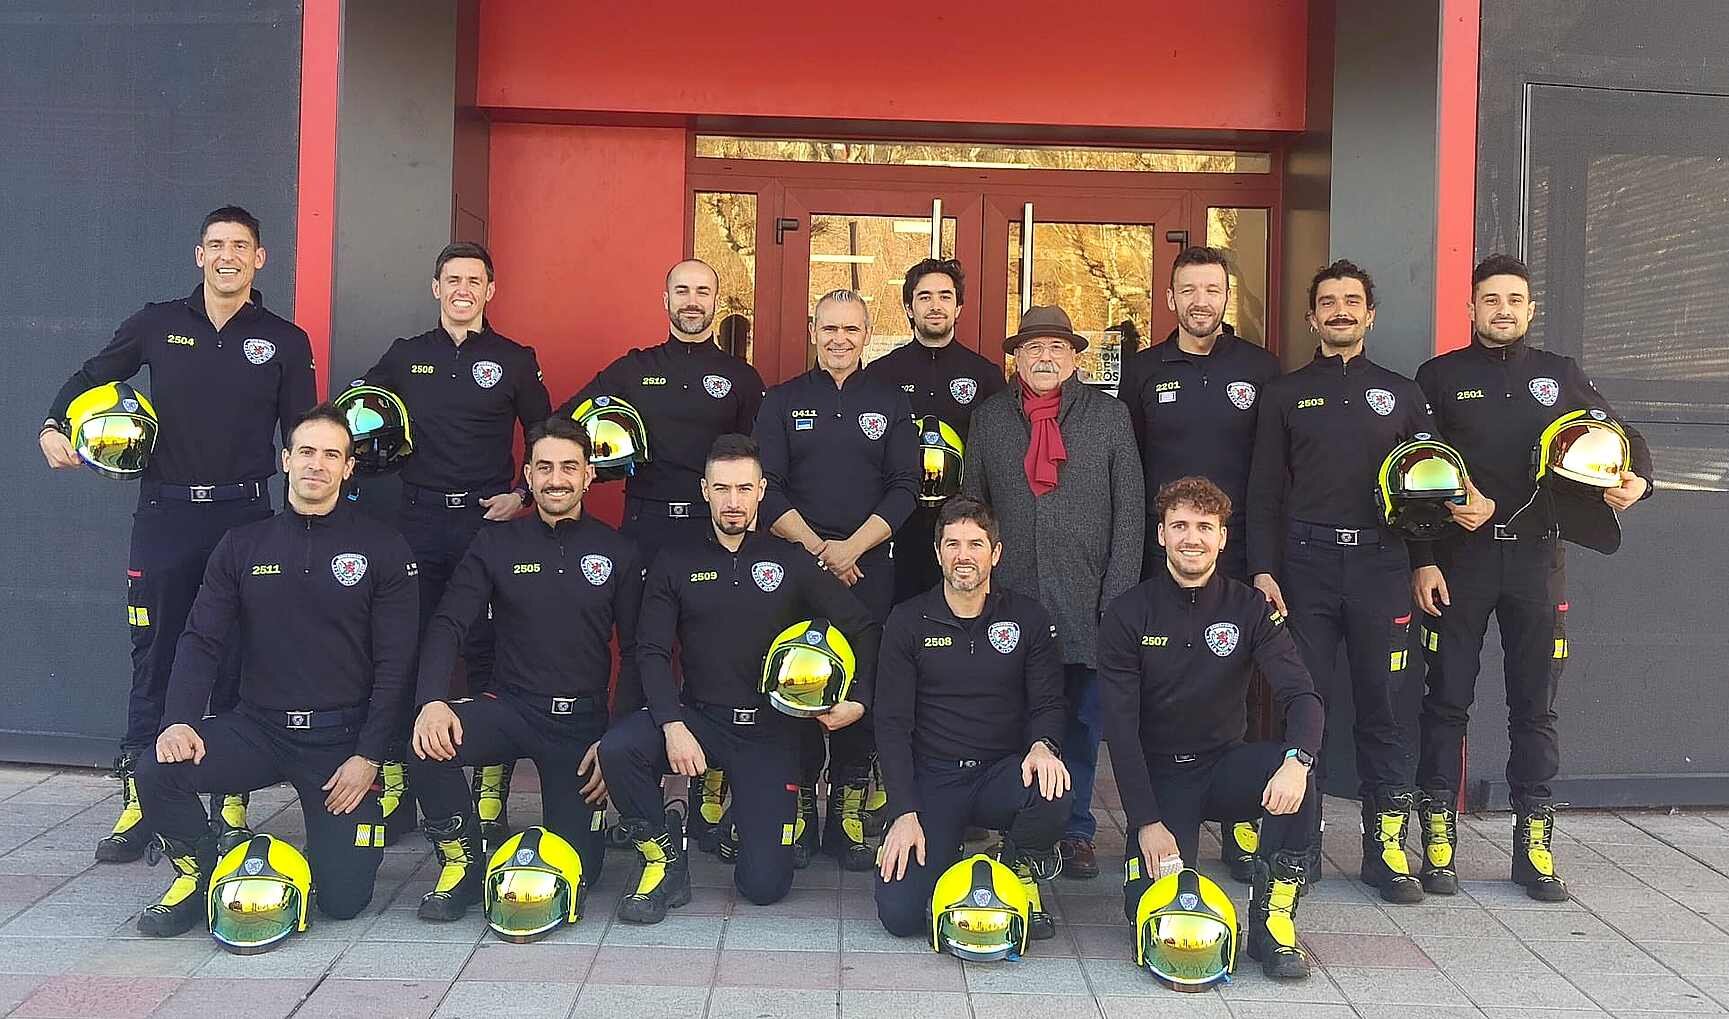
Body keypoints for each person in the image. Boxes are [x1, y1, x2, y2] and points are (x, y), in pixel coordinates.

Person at [39, 205, 316, 862]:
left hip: (245, 519)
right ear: (199, 255)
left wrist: (307, 521)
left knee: (238, 659)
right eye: (216, 244)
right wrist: (54, 425)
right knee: (155, 656)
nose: (227, 256)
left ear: (260, 258)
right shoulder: (157, 322)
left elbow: (303, 433)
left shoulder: (284, 340)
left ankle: (231, 805)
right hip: (164, 515)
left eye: (240, 246)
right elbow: (90, 377)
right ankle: (143, 799)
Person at [1411, 254, 1653, 901]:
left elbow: (1620, 434)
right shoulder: (1438, 376)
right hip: (1459, 562)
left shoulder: (1559, 374)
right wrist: (1423, 556)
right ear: (1470, 307)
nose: (1502, 310)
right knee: (1445, 701)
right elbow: (1414, 463)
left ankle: (1534, 847)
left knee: (1534, 707)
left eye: (1513, 300)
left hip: (1536, 562)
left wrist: (1638, 479)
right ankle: (1437, 839)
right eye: (1490, 299)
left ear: (1529, 309)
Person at [131, 405, 417, 936]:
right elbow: (201, 640)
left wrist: (369, 757)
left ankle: (316, 859)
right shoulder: (242, 545)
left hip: (341, 744)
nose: (316, 464)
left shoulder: (383, 547)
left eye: (331, 454)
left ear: (348, 468)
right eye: (305, 452)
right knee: (156, 769)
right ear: (286, 460)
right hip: (258, 729)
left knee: (343, 901)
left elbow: (397, 664)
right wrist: (179, 720)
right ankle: (198, 873)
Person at [1247, 259, 1482, 903]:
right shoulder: (1285, 394)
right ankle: (1300, 846)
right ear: (1311, 318)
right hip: (1305, 568)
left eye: (1352, 301)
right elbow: (1264, 491)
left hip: (1383, 565)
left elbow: (1431, 483)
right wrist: (1263, 569)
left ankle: (1386, 851)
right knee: (1305, 704)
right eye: (1329, 302)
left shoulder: (1402, 394)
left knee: (1386, 709)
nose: (1341, 311)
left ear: (1369, 316)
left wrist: (1425, 559)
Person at [597, 434, 880, 922]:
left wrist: (859, 697)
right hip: (700, 721)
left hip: (771, 733)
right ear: (705, 490)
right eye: (723, 488)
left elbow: (863, 627)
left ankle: (743, 821)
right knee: (619, 749)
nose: (733, 501)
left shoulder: (790, 559)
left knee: (764, 887)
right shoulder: (675, 561)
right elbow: (651, 651)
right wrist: (671, 724)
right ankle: (664, 857)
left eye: (744, 489)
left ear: (761, 491)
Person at [406, 416, 643, 920]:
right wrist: (431, 701)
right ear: (529, 476)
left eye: (569, 467)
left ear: (588, 475)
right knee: (426, 743)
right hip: (510, 709)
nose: (557, 479)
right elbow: (448, 622)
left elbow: (639, 652)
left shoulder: (618, 550)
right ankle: (463, 863)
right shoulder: (495, 544)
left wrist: (616, 742)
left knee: (582, 871)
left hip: (580, 726)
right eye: (545, 467)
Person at [359, 241, 551, 841]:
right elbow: (357, 413)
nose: (463, 290)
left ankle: (489, 791)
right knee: (403, 648)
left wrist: (523, 493)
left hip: (486, 524)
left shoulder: (514, 359)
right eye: (453, 280)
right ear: (436, 288)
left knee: (489, 649)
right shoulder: (405, 355)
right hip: (416, 521)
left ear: (490, 291)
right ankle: (398, 789)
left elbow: (547, 435)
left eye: (474, 281)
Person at [1099, 476, 1323, 979]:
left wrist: (1298, 762)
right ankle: (1154, 868)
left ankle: (1272, 920)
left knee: (1299, 775)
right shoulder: (1128, 613)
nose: (1191, 538)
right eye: (1179, 525)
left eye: (1204, 526)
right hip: (1162, 781)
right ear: (1161, 534)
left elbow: (1302, 696)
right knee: (1158, 921)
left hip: (1224, 768)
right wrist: (1146, 822)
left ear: (1222, 537)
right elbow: (1121, 729)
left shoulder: (1251, 608)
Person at [961, 305, 1144, 881]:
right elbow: (972, 509)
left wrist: (1116, 599)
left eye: (1056, 348)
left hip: (1087, 600)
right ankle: (1017, 822)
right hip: (1010, 597)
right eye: (1033, 348)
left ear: (1074, 357)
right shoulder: (990, 419)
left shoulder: (1109, 416)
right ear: (1016, 358)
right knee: (1010, 717)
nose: (1045, 358)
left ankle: (1075, 831)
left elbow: (1131, 513)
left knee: (1082, 725)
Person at [1118, 245, 1282, 881]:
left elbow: (1268, 479)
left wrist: (1264, 565)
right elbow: (1129, 472)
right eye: (1188, 290)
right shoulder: (1142, 371)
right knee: (1167, 677)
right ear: (1170, 299)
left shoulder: (1260, 369)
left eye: (1212, 289)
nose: (1200, 301)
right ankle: (1157, 803)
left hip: (1235, 557)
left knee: (1244, 678)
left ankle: (1241, 815)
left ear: (1226, 296)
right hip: (1164, 557)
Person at [755, 290, 918, 869]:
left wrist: (851, 548)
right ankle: (799, 809)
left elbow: (905, 486)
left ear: (867, 333)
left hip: (870, 565)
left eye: (851, 329)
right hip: (800, 568)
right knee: (798, 678)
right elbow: (767, 488)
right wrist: (821, 551)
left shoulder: (891, 402)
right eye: (829, 328)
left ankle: (847, 813)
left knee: (861, 684)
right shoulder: (782, 400)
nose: (840, 339)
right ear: (812, 331)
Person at [873, 496, 1070, 941]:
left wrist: (1043, 745)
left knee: (1053, 788)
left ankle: (1017, 868)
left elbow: (1048, 702)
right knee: (900, 916)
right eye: (953, 544)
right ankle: (946, 854)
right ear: (938, 552)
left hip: (1000, 772)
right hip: (934, 780)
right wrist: (903, 810)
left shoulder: (1028, 618)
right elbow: (892, 724)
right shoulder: (907, 621)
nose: (964, 556)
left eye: (976, 544)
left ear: (995, 554)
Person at [556, 259, 765, 548]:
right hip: (645, 524)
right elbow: (563, 424)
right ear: (666, 300)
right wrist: (599, 467)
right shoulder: (633, 369)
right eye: (682, 291)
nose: (692, 301)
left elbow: (760, 458)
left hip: (714, 524)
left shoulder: (743, 378)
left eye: (702, 291)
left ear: (716, 302)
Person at [863, 258, 1007, 602]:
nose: (935, 305)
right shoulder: (880, 374)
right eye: (924, 297)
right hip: (897, 523)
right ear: (909, 308)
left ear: (958, 308)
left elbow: (1001, 455)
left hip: (964, 527)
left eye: (945, 296)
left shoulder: (985, 375)